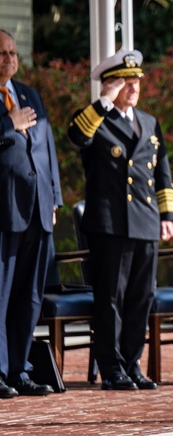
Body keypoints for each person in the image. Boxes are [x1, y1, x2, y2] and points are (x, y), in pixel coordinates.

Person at [67, 49, 173, 391]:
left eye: (137, 81)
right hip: (110, 224)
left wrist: (167, 215)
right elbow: (76, 137)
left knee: (140, 298)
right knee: (110, 299)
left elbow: (162, 173)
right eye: (126, 81)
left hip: (145, 222)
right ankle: (111, 367)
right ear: (110, 85)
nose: (134, 87)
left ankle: (132, 364)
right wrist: (102, 102)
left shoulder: (148, 121)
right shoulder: (96, 118)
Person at [0, 28, 63, 398]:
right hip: (4, 211)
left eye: (12, 53)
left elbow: (47, 148)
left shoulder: (28, 94)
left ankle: (20, 370)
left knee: (29, 297)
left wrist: (53, 196)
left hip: (37, 209)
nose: (9, 59)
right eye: (2, 53)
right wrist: (10, 124)